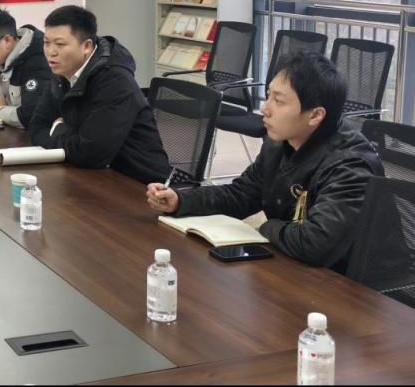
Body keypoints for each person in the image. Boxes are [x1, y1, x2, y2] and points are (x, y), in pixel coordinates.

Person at [146, 51, 383, 273]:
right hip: (293, 266)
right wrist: (181, 200)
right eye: (269, 95)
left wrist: (265, 227)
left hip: (345, 285)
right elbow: (241, 194)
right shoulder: (279, 143)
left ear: (315, 115)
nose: (265, 109)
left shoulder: (351, 165)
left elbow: (316, 244)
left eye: (278, 101)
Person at [28, 5, 171, 184]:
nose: (51, 52)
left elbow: (91, 154)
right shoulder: (63, 71)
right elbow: (36, 127)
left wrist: (57, 129)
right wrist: (70, 140)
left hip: (139, 184)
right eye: (46, 42)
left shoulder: (115, 82)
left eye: (60, 44)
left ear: (87, 46)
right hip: (90, 174)